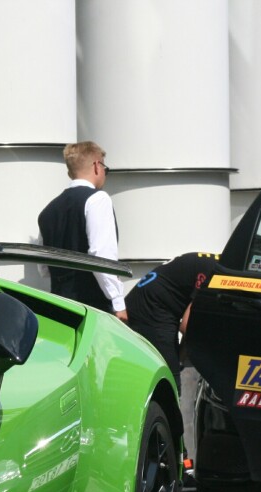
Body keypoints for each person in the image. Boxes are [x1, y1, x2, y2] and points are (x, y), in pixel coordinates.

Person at [38, 141, 125, 314]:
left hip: (58, 305)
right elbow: (100, 256)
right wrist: (118, 302)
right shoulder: (98, 199)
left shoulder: (48, 211)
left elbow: (43, 268)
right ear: (96, 166)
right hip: (92, 306)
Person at [124, 251, 219, 389]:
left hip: (156, 302)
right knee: (168, 379)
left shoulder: (218, 263)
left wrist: (180, 359)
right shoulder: (217, 273)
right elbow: (188, 326)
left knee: (170, 369)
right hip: (152, 306)